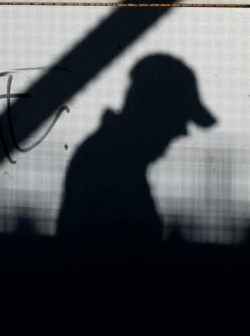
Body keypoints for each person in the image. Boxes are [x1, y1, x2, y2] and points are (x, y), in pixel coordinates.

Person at [55, 53, 216, 252]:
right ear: (156, 111)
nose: (182, 132)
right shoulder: (109, 167)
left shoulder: (108, 159)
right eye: (179, 116)